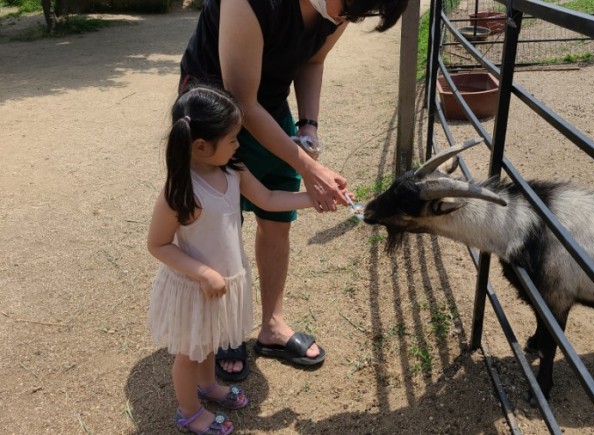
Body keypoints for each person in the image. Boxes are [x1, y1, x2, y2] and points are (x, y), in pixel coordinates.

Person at [178, 0, 410, 380]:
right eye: (349, 6)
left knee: (276, 220)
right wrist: (309, 167)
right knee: (220, 225)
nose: (345, 19)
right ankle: (222, 329)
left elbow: (312, 61)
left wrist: (308, 127)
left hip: (266, 107)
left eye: (359, 13)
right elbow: (242, 102)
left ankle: (271, 326)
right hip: (214, 113)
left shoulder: (342, 8)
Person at [147, 86, 319, 434]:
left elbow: (268, 199)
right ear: (200, 147)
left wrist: (315, 198)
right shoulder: (181, 191)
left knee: (209, 341)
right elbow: (158, 244)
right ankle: (190, 412)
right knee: (189, 353)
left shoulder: (233, 171)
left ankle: (208, 386)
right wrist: (203, 273)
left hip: (224, 281)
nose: (238, 145)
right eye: (231, 139)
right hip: (194, 288)